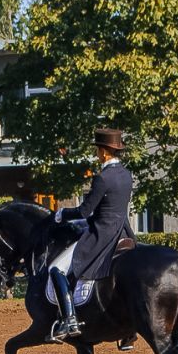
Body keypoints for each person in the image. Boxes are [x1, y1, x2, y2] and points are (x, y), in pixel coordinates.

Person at [46, 129, 135, 342]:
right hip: (122, 232)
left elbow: (85, 211)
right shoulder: (126, 175)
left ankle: (69, 319)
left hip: (101, 235)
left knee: (55, 268)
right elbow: (114, 209)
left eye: (97, 150)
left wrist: (62, 214)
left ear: (103, 152)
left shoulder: (103, 178)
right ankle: (130, 331)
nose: (97, 154)